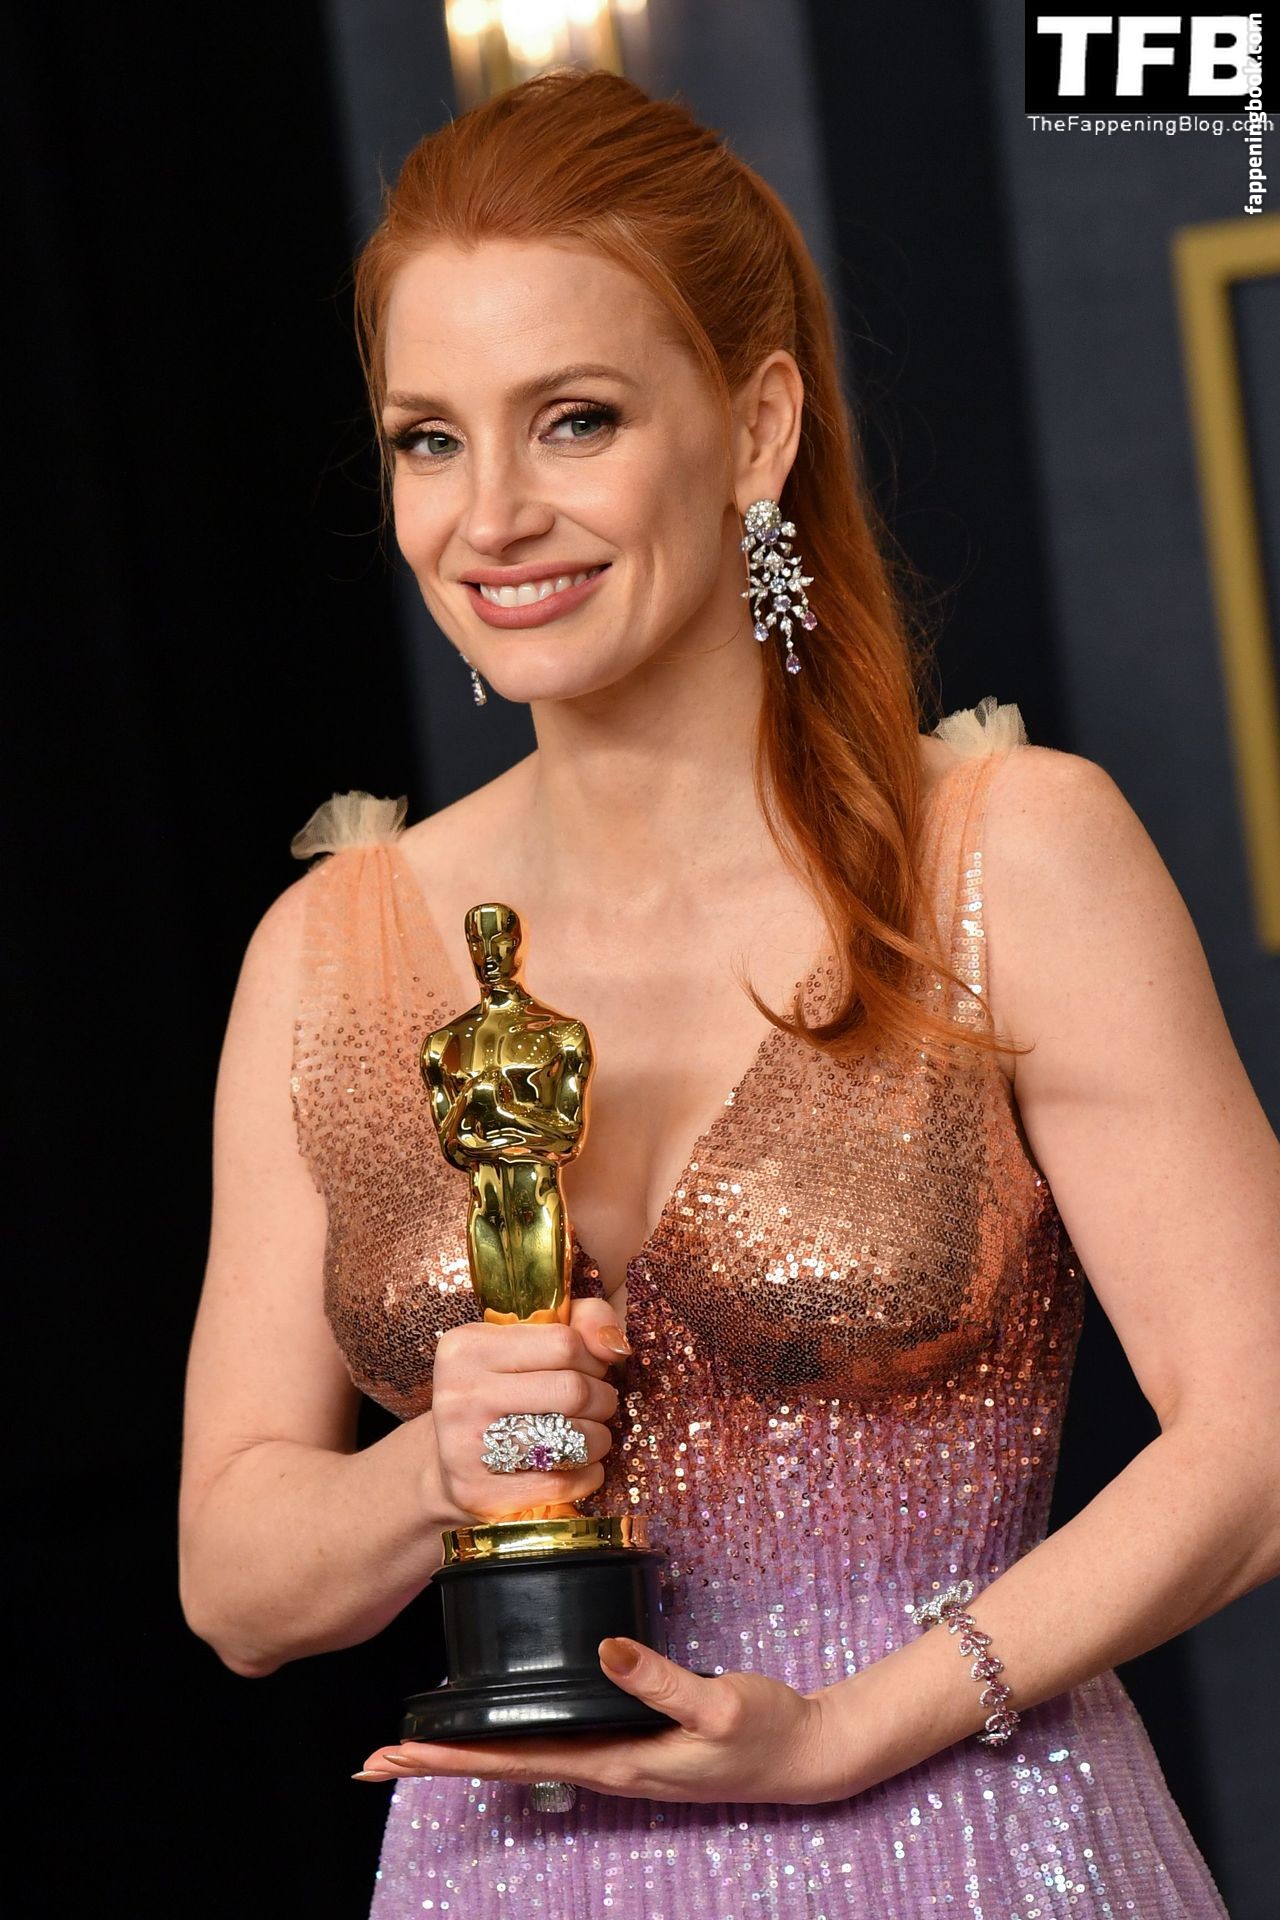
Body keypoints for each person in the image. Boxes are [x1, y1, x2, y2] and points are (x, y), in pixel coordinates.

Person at [178, 68, 1279, 1919]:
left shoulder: (1004, 859)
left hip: (965, 1842)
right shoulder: (325, 948)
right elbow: (232, 1578)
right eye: (429, 439)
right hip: (509, 1876)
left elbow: (1261, 1426)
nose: (491, 515)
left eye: (576, 420)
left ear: (756, 426)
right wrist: (434, 1467)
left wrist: (855, 1730)